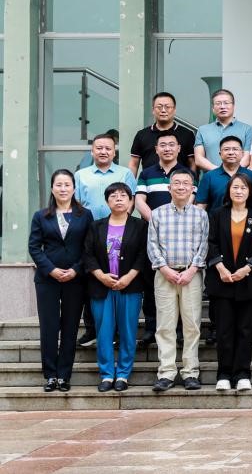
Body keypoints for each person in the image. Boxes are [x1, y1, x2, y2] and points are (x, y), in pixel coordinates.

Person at [29, 169, 94, 392]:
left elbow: (89, 247)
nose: (63, 189)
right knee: (49, 327)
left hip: (75, 280)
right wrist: (51, 269)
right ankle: (50, 375)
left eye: (67, 185)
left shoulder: (85, 215)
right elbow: (34, 247)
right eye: (59, 185)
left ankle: (64, 375)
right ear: (52, 188)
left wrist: (76, 270)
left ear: (74, 189)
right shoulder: (41, 216)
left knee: (70, 327)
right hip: (47, 279)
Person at [148, 166, 209, 392]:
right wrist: (165, 269)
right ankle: (166, 372)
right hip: (165, 275)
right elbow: (152, 245)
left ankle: (191, 372)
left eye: (186, 183)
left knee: (192, 325)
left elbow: (204, 245)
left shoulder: (201, 215)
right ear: (169, 187)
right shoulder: (157, 214)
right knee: (165, 326)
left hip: (192, 275)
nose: (181, 187)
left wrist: (192, 269)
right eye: (177, 183)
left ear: (193, 188)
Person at [81, 182, 146, 393]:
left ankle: (124, 374)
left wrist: (129, 277)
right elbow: (87, 254)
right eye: (113, 196)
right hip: (101, 287)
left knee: (128, 331)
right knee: (104, 331)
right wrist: (101, 276)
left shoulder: (140, 226)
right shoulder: (96, 226)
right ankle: (107, 374)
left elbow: (143, 255)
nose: (118, 199)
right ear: (107, 201)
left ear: (131, 201)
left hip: (130, 286)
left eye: (123, 195)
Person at [205, 173, 252, 391]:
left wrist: (248, 268)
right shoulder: (217, 214)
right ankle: (223, 373)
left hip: (248, 282)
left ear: (250, 192)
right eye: (235, 187)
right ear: (228, 190)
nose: (239, 191)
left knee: (245, 330)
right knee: (223, 330)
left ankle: (242, 374)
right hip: (221, 280)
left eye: (243, 188)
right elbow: (210, 243)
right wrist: (220, 267)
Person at [135, 131, 184, 348]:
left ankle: (179, 329)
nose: (167, 148)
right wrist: (157, 222)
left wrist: (171, 223)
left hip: (180, 236)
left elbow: (189, 198)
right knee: (150, 282)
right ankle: (151, 327)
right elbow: (140, 201)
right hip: (152, 234)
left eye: (171, 145)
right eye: (162, 145)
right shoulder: (146, 173)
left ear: (178, 149)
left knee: (179, 281)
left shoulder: (186, 173)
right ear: (156, 149)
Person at [74, 132, 139, 220]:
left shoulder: (126, 173)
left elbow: (131, 201)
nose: (103, 152)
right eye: (99, 148)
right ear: (92, 152)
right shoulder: (80, 175)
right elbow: (76, 202)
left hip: (118, 225)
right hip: (87, 225)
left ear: (114, 153)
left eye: (108, 149)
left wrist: (122, 222)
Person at [128, 91, 195, 174]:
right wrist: (130, 182)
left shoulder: (187, 134)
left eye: (167, 107)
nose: (163, 110)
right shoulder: (142, 135)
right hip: (150, 180)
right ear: (153, 110)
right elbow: (134, 163)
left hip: (179, 181)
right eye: (159, 107)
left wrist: (193, 179)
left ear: (174, 110)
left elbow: (192, 163)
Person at [193, 88, 252, 172]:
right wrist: (219, 172)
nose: (222, 107)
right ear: (213, 108)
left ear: (233, 106)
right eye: (218, 103)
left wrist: (232, 173)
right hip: (211, 177)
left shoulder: (247, 129)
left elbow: (247, 158)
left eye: (226, 103)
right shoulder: (203, 130)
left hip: (239, 178)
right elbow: (199, 159)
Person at [194, 136, 252, 212]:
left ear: (242, 153)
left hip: (246, 219)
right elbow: (201, 206)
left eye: (235, 149)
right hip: (215, 219)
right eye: (226, 149)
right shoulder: (209, 177)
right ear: (220, 154)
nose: (231, 153)